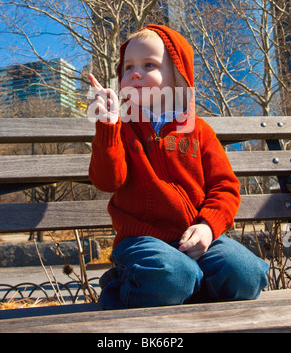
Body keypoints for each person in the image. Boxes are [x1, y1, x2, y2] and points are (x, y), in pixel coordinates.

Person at [88, 24, 269, 310]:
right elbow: (107, 181)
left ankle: (183, 289)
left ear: (178, 77)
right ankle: (122, 286)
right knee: (173, 274)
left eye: (149, 65)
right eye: (127, 67)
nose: (134, 73)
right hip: (142, 242)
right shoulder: (122, 130)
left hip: (197, 237)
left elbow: (225, 187)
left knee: (247, 274)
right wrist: (108, 127)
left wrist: (208, 227)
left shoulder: (200, 132)